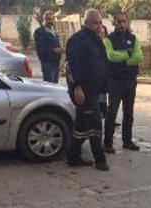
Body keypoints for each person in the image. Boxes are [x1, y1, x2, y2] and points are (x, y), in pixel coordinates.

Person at [65, 9, 109, 171]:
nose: (99, 26)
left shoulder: (96, 40)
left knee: (81, 127)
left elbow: (101, 63)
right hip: (83, 90)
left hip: (95, 90)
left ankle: (72, 157)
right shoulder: (78, 40)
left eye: (100, 23)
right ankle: (100, 160)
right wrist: (77, 87)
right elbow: (71, 66)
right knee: (95, 125)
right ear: (87, 23)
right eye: (96, 23)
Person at [102, 13, 142, 153]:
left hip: (130, 81)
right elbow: (111, 56)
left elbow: (139, 57)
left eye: (124, 21)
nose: (121, 24)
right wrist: (127, 55)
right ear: (114, 23)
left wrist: (123, 59)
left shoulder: (133, 39)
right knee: (111, 113)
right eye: (119, 21)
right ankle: (107, 143)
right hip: (115, 81)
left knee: (129, 113)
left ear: (127, 22)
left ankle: (127, 141)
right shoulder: (108, 40)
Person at [34, 11, 63, 83]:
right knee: (49, 86)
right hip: (47, 63)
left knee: (55, 86)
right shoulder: (39, 31)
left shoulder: (54, 31)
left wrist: (61, 50)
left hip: (56, 62)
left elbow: (57, 45)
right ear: (44, 19)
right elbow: (40, 48)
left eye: (52, 19)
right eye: (48, 19)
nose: (50, 21)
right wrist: (54, 50)